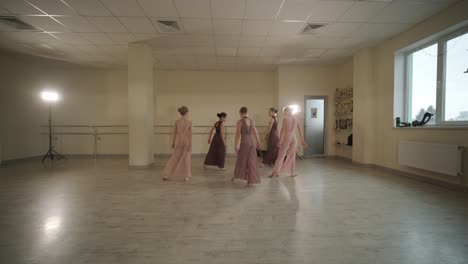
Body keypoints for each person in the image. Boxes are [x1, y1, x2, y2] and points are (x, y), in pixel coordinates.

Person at [270, 106, 307, 178]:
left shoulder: (285, 119)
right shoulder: (296, 119)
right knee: (292, 156)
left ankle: (275, 172)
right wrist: (302, 141)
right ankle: (292, 173)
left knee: (281, 155)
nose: (285, 113)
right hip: (293, 138)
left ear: (288, 111)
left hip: (287, 138)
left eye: (285, 111)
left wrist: (280, 141)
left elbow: (283, 130)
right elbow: (300, 130)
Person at [233, 107, 262, 186]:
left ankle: (237, 176)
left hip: (244, 142)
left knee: (241, 159)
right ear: (247, 112)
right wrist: (258, 142)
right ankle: (251, 180)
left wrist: (235, 145)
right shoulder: (251, 121)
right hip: (252, 142)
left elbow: (238, 134)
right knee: (252, 161)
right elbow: (256, 133)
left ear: (240, 113)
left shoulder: (240, 121)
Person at [163, 106, 192, 181]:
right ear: (186, 112)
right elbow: (190, 135)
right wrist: (190, 145)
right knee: (186, 158)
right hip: (186, 141)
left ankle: (166, 174)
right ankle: (186, 176)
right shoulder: (189, 122)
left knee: (174, 157)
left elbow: (174, 133)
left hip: (178, 141)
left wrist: (173, 143)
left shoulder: (177, 121)